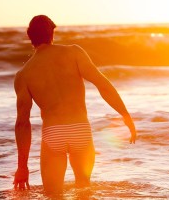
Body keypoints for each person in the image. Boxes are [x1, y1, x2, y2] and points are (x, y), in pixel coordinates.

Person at [13, 15, 136, 194]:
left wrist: (22, 167)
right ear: (52, 32)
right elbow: (103, 85)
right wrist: (125, 115)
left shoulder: (24, 74)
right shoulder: (74, 52)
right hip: (81, 130)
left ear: (29, 36)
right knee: (84, 191)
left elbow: (22, 123)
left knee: (54, 196)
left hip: (53, 133)